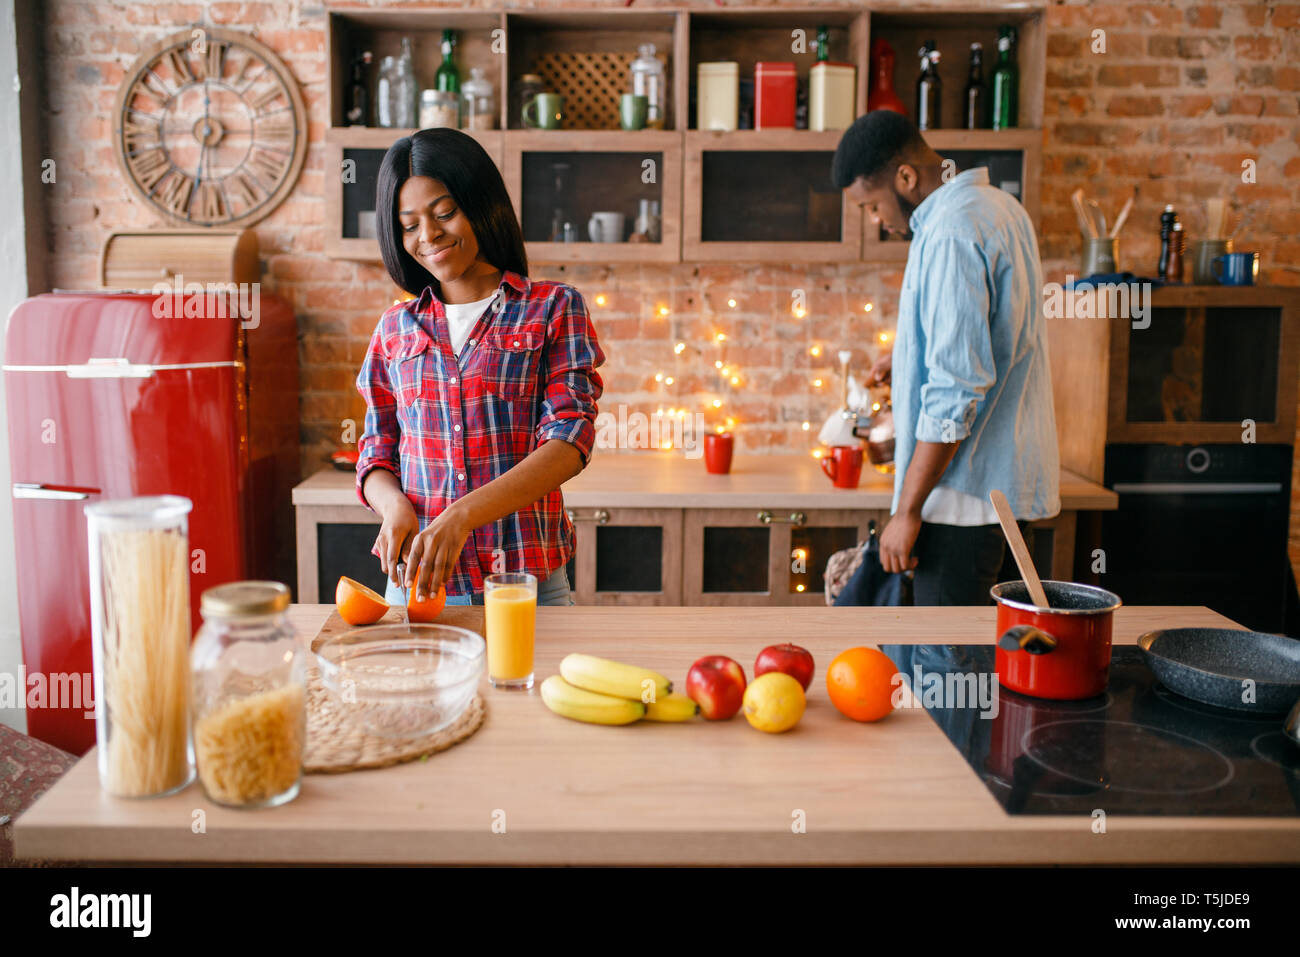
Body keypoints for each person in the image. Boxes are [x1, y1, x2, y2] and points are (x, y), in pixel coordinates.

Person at [355, 128, 604, 607]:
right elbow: (376, 451)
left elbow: (569, 442)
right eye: (409, 225)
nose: (428, 236)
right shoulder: (394, 329)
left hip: (525, 588)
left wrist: (461, 515)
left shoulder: (552, 308)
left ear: (480, 203)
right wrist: (394, 506)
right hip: (416, 590)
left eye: (444, 212)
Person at [832, 111, 1059, 605]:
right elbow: (996, 332)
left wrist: (906, 511)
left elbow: (956, 389)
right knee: (997, 671)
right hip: (1007, 493)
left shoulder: (949, 233)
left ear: (906, 177)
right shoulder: (1000, 208)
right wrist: (909, 354)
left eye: (871, 206)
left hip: (960, 506)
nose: (876, 222)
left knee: (946, 675)